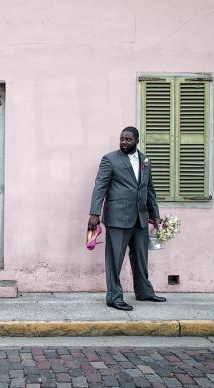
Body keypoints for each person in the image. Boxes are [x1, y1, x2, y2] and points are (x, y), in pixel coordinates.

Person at [88, 126, 166, 311]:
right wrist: (94, 213)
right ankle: (114, 297)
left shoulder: (145, 160)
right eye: (122, 139)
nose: (124, 142)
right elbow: (100, 187)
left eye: (128, 139)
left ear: (137, 140)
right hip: (118, 218)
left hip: (140, 217)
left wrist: (155, 215)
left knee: (140, 257)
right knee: (115, 259)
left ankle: (144, 291)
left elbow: (149, 190)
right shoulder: (110, 160)